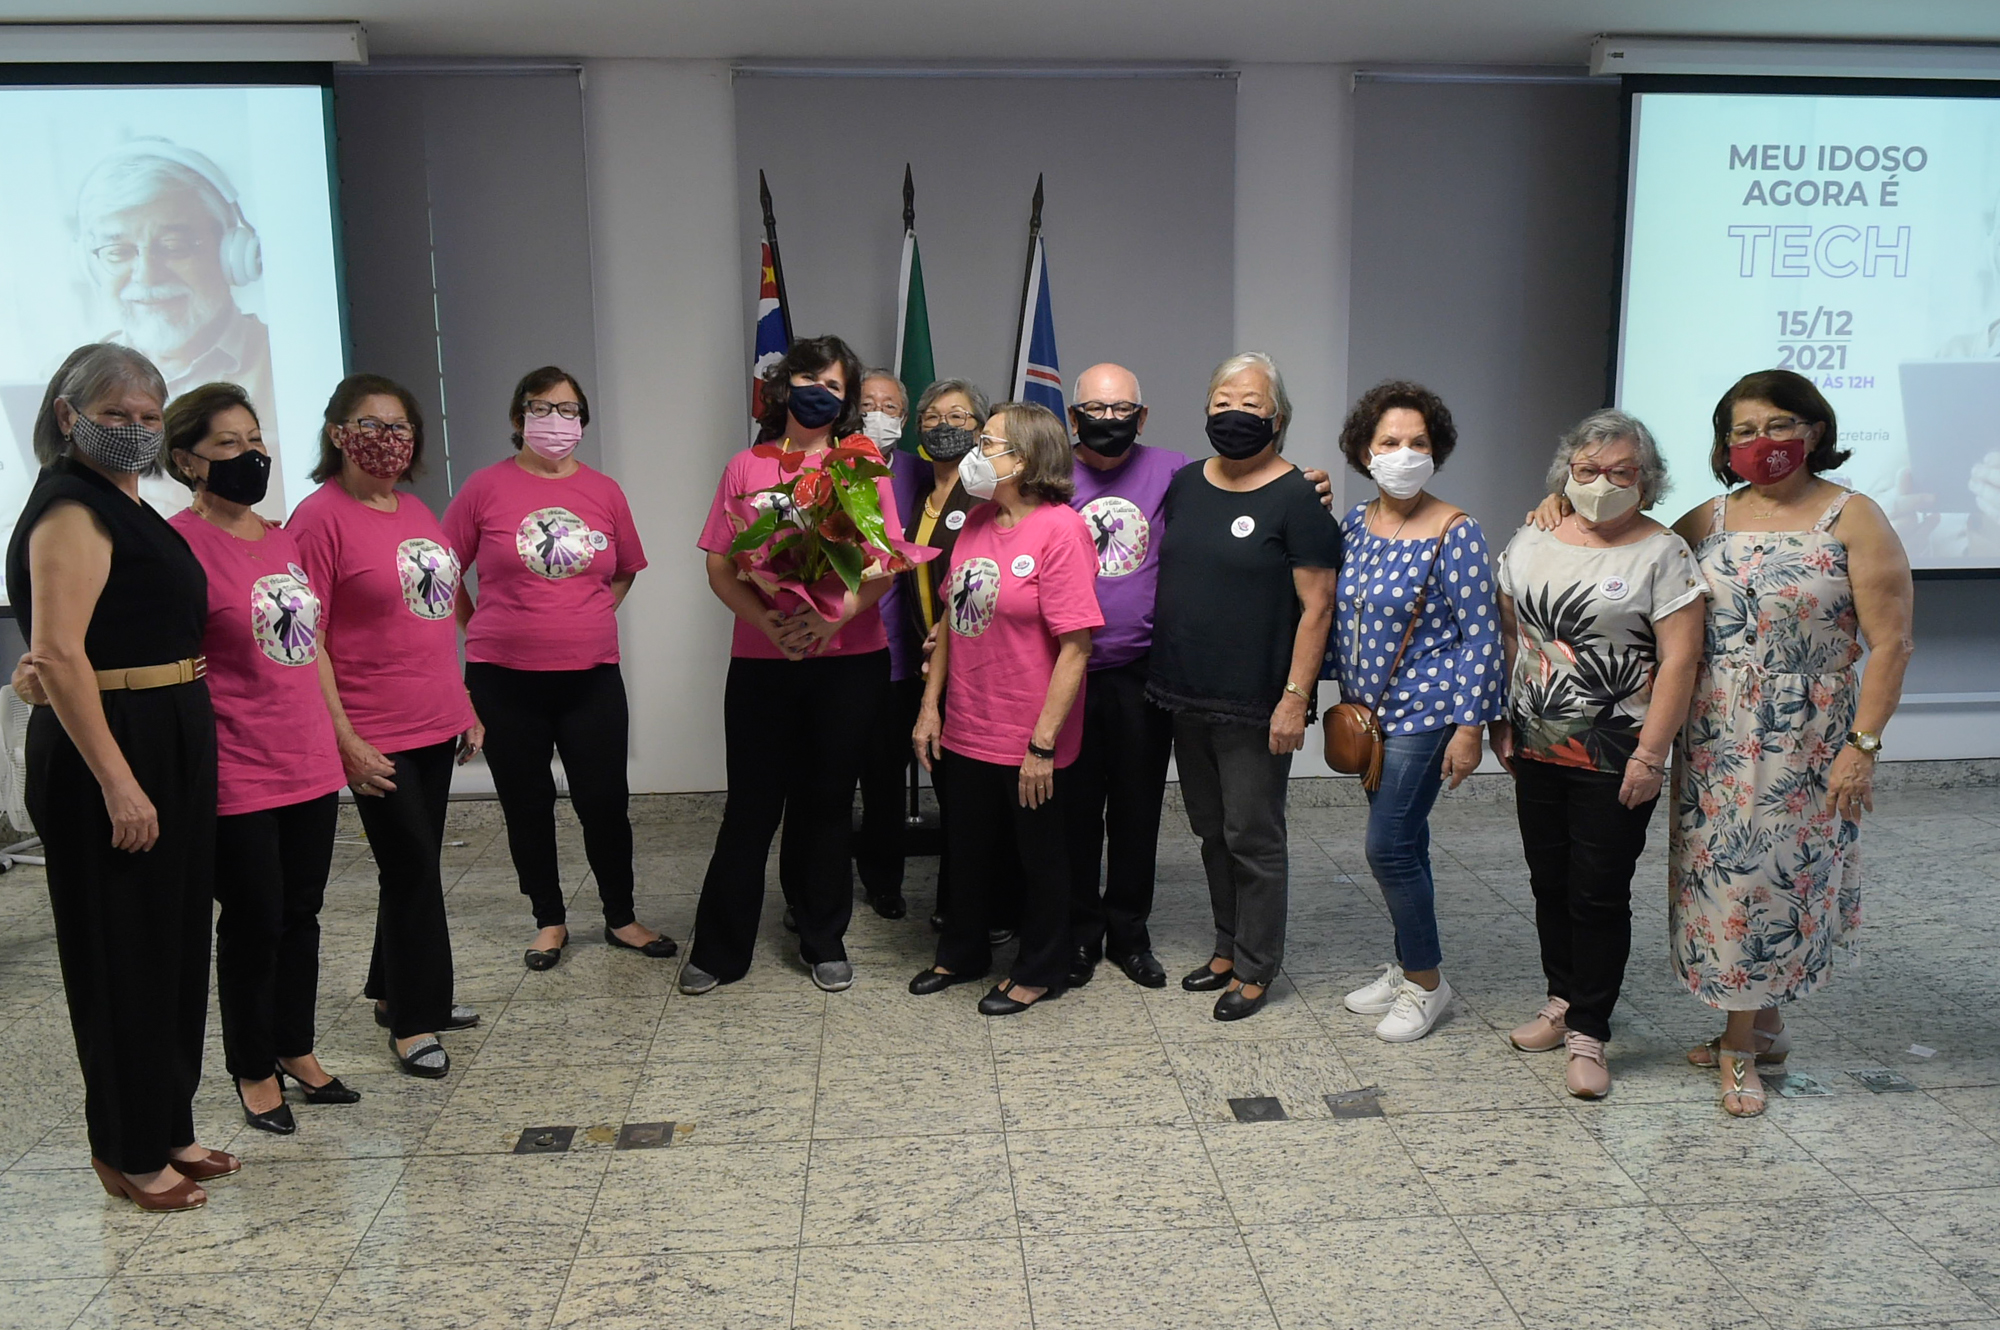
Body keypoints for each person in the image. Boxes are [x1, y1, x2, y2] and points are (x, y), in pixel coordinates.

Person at [4, 344, 234, 1210]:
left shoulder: (130, 503)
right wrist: (117, 781)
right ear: (68, 416)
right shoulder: (72, 507)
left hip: (169, 726)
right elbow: (59, 656)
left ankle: (168, 1123)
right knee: (121, 955)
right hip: (113, 743)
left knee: (173, 943)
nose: (135, 430)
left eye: (148, 416)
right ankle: (127, 1149)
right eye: (115, 415)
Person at [1667, 372, 1913, 1115]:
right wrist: (1557, 505)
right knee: (1717, 882)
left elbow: (1892, 643)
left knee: (1770, 882)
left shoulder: (1853, 517)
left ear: (1814, 431)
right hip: (1714, 735)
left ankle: (1739, 1045)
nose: (1761, 442)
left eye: (1778, 425)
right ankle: (1763, 1025)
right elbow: (1635, 558)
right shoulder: (1707, 517)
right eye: (1743, 431)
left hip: (1805, 739)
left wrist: (1862, 747)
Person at [1494, 410, 1707, 1100]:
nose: (1602, 483)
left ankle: (1589, 1030)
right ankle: (1560, 1000)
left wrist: (1651, 755)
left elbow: (1680, 661)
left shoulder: (1663, 552)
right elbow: (1511, 631)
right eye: (1588, 471)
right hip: (1537, 740)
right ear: (1567, 473)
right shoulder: (1533, 535)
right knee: (1548, 882)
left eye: (1621, 472)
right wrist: (1504, 717)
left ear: (1647, 479)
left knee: (1597, 892)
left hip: (1618, 750)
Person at [161, 383, 355, 1134]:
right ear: (187, 459)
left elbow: (311, 647)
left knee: (301, 914)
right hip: (238, 765)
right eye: (228, 444)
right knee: (254, 920)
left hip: (307, 759)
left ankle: (294, 1046)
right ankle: (252, 1068)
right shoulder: (178, 545)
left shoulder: (280, 538)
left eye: (255, 439)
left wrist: (339, 734)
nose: (251, 455)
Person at [688, 336, 902, 995]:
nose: (819, 393)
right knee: (751, 806)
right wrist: (768, 623)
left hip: (848, 661)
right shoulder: (745, 467)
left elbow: (887, 562)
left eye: (834, 386)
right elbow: (720, 565)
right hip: (764, 660)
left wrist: (832, 617)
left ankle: (822, 936)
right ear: (784, 386)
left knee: (828, 802)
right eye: (809, 379)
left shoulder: (861, 467)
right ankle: (720, 950)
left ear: (847, 401)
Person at [442, 366, 674, 972]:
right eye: (542, 408)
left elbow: (624, 569)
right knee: (527, 802)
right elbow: (442, 570)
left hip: (590, 677)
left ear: (583, 421)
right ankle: (548, 919)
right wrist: (477, 625)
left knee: (605, 800)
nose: (555, 420)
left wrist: (586, 614)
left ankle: (621, 917)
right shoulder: (483, 488)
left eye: (568, 410)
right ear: (518, 417)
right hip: (503, 679)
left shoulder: (604, 492)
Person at [288, 374, 483, 1079]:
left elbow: (432, 619)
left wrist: (465, 705)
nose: (387, 439)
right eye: (370, 425)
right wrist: (342, 738)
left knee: (415, 866)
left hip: (434, 718)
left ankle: (392, 987)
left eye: (399, 427)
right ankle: (414, 1020)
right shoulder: (317, 520)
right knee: (412, 873)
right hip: (375, 729)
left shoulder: (415, 509)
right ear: (337, 433)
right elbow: (306, 640)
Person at [1148, 352, 1340, 1022]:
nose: (1235, 414)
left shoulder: (1299, 497)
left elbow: (1317, 608)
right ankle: (1227, 947)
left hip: (1257, 701)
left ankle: (1257, 968)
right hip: (1184, 690)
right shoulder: (1184, 485)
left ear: (1277, 418)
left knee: (1252, 835)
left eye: (1251, 404)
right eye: (1223, 401)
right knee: (1210, 830)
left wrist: (1295, 698)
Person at [909, 402, 1102, 1014]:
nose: (975, 453)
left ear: (1026, 459)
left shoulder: (1062, 530)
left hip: (1030, 733)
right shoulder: (975, 521)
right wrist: (930, 707)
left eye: (988, 444)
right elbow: (951, 618)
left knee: (1039, 859)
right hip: (968, 722)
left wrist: (1043, 743)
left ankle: (1041, 970)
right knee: (968, 850)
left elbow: (1076, 647)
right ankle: (962, 953)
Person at [1326, 381, 1504, 1042]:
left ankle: (1427, 984)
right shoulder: (1354, 524)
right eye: (1390, 442)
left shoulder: (1456, 531)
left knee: (1389, 846)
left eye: (1418, 442)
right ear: (1364, 452)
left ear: (1437, 451)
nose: (1404, 454)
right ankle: (1408, 966)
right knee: (1408, 843)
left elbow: (1481, 634)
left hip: (1426, 714)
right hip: (1369, 714)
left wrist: (1470, 726)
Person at [1061, 363, 1188, 990]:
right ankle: (1081, 933)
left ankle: (1130, 934)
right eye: (1094, 409)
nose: (1107, 420)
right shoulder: (1050, 473)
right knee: (1075, 810)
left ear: (1141, 417)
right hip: (1067, 670)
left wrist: (1308, 484)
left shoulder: (1175, 471)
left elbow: (1237, 495)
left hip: (1143, 673)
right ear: (1072, 416)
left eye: (1120, 410)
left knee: (1137, 809)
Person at [73, 141, 276, 473]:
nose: (146, 275)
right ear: (90, 266)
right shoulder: (72, 380)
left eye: (174, 246)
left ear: (231, 254)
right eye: (117, 252)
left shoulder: (282, 360)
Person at [851, 368, 921, 921]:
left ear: (905, 417)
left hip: (900, 654)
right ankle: (812, 888)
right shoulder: (829, 467)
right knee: (823, 779)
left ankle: (884, 881)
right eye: (868, 404)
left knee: (885, 777)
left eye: (890, 406)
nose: (878, 414)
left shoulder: (921, 473)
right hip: (836, 649)